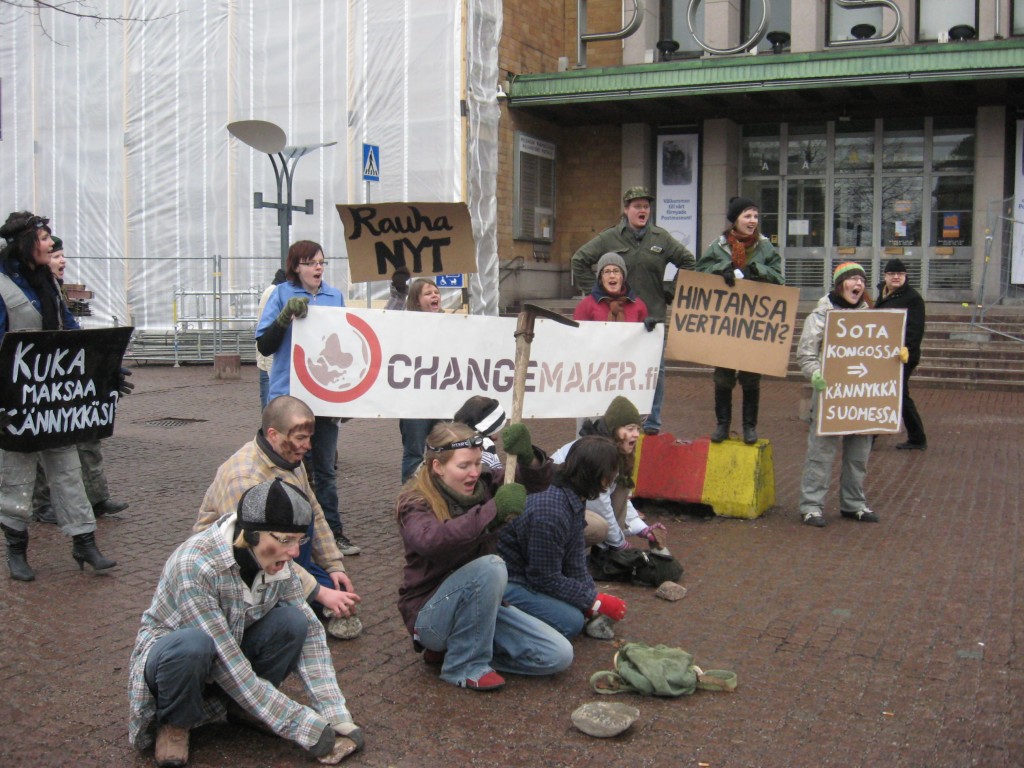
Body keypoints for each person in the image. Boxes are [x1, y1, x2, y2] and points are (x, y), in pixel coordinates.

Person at [128, 478, 364, 767]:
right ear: (252, 535)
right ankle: (175, 723)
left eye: (299, 541)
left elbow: (312, 636)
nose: (293, 554)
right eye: (285, 541)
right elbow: (226, 660)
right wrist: (302, 725)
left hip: (229, 648)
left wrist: (334, 713)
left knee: (294, 622)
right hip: (175, 660)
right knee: (194, 645)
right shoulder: (195, 564)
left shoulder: (278, 562)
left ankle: (243, 709)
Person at [395, 421, 572, 692]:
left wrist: (528, 457)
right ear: (438, 467)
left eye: (477, 463)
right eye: (464, 466)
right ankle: (464, 667)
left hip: (480, 609)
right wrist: (493, 512)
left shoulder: (485, 486)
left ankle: (455, 650)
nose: (474, 473)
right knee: (491, 567)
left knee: (558, 655)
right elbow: (432, 541)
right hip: (429, 614)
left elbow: (535, 481)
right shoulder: (414, 502)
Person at [0, 211, 117, 581]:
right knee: (16, 475)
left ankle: (85, 543)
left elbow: (68, 329)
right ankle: (16, 550)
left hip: (53, 402)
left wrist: (102, 365)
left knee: (68, 470)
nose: (51, 244)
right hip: (17, 400)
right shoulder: (2, 287)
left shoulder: (47, 283)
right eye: (45, 237)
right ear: (25, 242)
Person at [194, 395, 362, 640]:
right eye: (300, 438)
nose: (308, 446)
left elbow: (314, 512)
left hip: (278, 547)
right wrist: (320, 593)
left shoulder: (291, 458)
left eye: (309, 438)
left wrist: (334, 566)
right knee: (304, 615)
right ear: (273, 434)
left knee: (338, 590)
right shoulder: (244, 479)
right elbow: (252, 547)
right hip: (238, 562)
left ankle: (302, 592)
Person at [256, 240, 360, 555]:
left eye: (321, 262)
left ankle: (333, 533)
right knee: (290, 465)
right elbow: (265, 345)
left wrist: (349, 396)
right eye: (311, 262)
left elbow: (346, 342)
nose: (318, 268)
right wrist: (285, 317)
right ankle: (290, 532)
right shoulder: (281, 295)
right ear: (296, 266)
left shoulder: (334, 296)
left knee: (326, 468)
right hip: (290, 397)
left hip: (324, 396)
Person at [571, 186, 696, 435]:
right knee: (613, 371)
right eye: (637, 206)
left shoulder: (661, 238)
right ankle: (609, 419)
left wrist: (669, 290)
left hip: (651, 318)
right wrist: (598, 294)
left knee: (654, 372)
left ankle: (651, 422)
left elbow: (689, 262)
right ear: (626, 209)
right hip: (615, 322)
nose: (642, 210)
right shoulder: (609, 238)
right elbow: (579, 260)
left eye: (646, 206)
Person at [31, 235, 130, 524]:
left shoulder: (55, 291)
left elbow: (72, 332)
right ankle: (42, 503)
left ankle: (96, 496)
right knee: (42, 440)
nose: (62, 261)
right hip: (43, 378)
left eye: (62, 255)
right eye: (55, 255)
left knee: (88, 431)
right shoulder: (29, 292)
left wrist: (102, 365)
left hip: (69, 375)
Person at [498, 435, 629, 641]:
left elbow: (575, 555)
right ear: (601, 476)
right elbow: (543, 577)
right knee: (571, 622)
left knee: (575, 609)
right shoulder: (550, 511)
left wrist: (590, 598)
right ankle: (501, 628)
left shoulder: (574, 492)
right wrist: (593, 601)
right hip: (508, 579)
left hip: (527, 571)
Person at [797, 262, 882, 528]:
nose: (858, 284)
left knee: (859, 455)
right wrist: (815, 374)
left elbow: (879, 354)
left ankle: (853, 504)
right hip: (829, 396)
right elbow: (806, 354)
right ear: (839, 284)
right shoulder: (820, 316)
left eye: (861, 280)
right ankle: (811, 506)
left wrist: (896, 358)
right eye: (852, 279)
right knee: (820, 454)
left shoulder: (872, 318)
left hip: (860, 397)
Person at [696, 197, 784, 444]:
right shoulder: (719, 246)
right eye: (747, 215)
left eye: (755, 216)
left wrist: (758, 271)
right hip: (726, 321)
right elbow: (700, 271)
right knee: (723, 375)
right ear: (735, 219)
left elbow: (779, 277)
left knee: (751, 375)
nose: (752, 221)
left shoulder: (765, 248)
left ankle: (749, 426)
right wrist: (722, 269)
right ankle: (722, 424)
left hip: (753, 321)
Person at [551, 396, 666, 553]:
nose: (636, 435)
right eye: (630, 429)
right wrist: (619, 543)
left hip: (574, 507)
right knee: (599, 528)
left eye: (638, 429)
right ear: (614, 429)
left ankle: (601, 551)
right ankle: (582, 557)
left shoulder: (614, 452)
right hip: (557, 511)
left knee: (623, 488)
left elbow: (623, 500)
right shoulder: (597, 455)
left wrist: (642, 529)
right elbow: (600, 505)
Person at [874, 258, 927, 451]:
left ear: (905, 276)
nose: (896, 277)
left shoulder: (913, 298)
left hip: (902, 357)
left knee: (893, 394)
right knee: (895, 395)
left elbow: (915, 329)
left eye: (900, 274)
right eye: (891, 274)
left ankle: (871, 436)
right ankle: (917, 437)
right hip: (883, 355)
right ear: (885, 276)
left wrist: (908, 350)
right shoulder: (882, 294)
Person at [396, 278, 445, 483]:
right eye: (428, 293)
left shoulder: (452, 326)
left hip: (442, 401)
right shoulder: (405, 327)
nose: (435, 295)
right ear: (416, 301)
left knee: (443, 451)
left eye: (436, 292)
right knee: (415, 454)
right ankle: (412, 501)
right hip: (414, 402)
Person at [572, 252, 649, 323]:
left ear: (623, 277)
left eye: (616, 271)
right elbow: (578, 335)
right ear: (600, 278)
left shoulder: (638, 305)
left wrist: (649, 328)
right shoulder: (586, 305)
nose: (612, 276)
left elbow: (644, 337)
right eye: (607, 271)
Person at [256, 268, 287, 410]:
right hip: (270, 365)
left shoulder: (275, 291)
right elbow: (268, 330)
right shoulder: (275, 292)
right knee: (271, 416)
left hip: (270, 364)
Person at [452, 395, 506, 472]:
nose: (500, 431)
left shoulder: (447, 438)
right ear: (490, 426)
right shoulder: (486, 453)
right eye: (499, 426)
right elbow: (497, 480)